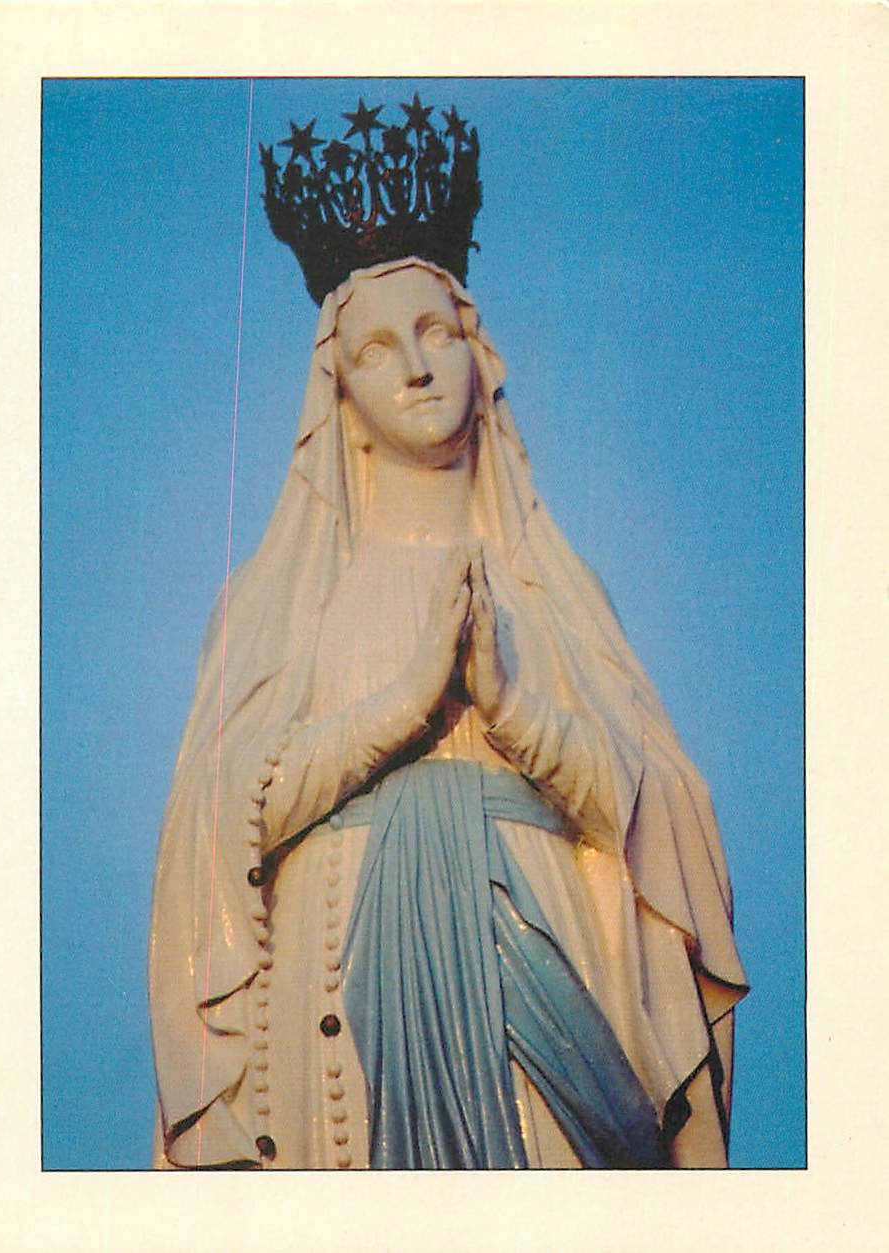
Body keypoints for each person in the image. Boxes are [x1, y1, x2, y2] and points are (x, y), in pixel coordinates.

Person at [148, 259, 745, 1171]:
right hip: (338, 976)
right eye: (378, 350)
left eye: (437, 332)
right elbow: (221, 827)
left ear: (480, 355)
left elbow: (659, 818)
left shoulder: (557, 594)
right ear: (340, 401)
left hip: (546, 959)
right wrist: (403, 704)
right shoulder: (273, 601)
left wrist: (511, 707)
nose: (418, 369)